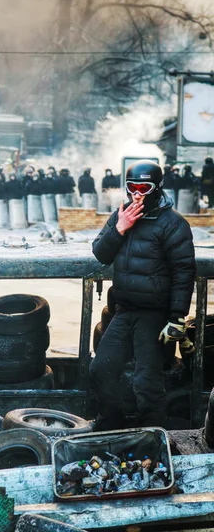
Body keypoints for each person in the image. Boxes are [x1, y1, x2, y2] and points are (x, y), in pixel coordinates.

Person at [89, 159, 196, 431]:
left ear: (157, 188)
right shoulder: (120, 216)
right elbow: (101, 253)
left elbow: (184, 271)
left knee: (146, 382)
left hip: (154, 314)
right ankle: (109, 426)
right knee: (101, 368)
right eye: (132, 187)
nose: (137, 194)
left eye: (143, 187)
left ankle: (149, 438)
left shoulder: (173, 224)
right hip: (124, 310)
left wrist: (177, 318)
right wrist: (119, 228)